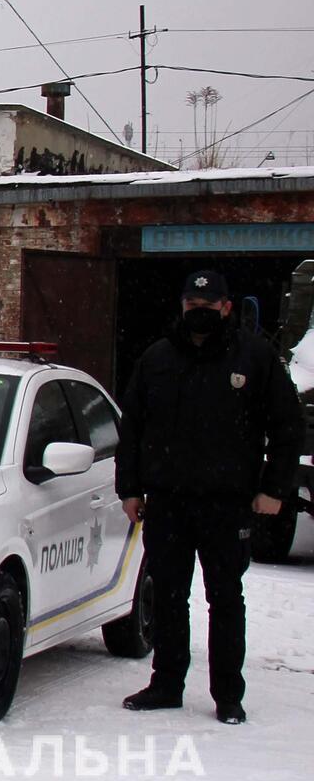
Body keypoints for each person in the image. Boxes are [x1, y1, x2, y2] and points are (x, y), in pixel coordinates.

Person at [116, 269, 301, 725]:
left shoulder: (255, 358)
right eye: (192, 306)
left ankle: (228, 695)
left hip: (226, 503)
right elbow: (133, 428)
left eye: (209, 307)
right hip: (168, 502)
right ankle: (166, 684)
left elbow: (286, 426)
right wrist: (130, 489)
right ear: (182, 307)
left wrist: (274, 489)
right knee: (170, 597)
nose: (200, 314)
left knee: (225, 599)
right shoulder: (158, 358)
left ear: (227, 308)